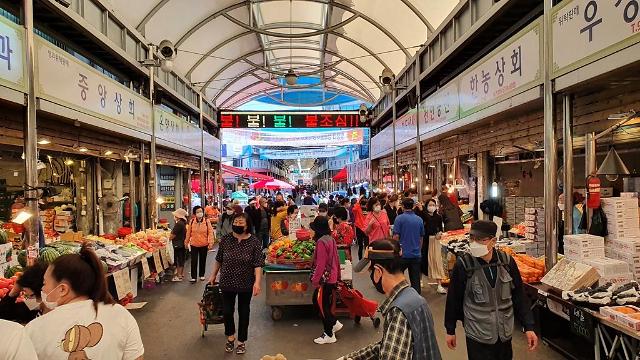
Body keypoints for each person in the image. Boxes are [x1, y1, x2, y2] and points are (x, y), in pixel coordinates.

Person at [25, 244, 144, 360]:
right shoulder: (120, 315)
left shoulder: (34, 330)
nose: (42, 289)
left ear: (62, 289)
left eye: (45, 283)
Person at [445, 220, 538, 360]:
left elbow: (519, 295)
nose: (474, 243)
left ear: (493, 241)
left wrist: (528, 326)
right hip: (477, 334)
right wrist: (450, 329)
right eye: (472, 238)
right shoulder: (464, 264)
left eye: (481, 240)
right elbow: (453, 298)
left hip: (504, 332)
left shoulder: (506, 262)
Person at [341, 240, 441, 360]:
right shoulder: (414, 297)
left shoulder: (399, 311)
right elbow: (388, 346)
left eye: (370, 272)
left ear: (378, 271)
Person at [209, 213, 264, 355]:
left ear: (247, 226)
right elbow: (219, 259)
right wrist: (214, 274)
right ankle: (230, 337)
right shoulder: (226, 240)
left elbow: (258, 264)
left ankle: (241, 341)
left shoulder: (254, 242)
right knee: (227, 311)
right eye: (236, 222)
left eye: (241, 223)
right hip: (227, 280)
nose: (237, 225)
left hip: (246, 282)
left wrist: (257, 282)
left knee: (244, 311)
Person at [309, 216, 342, 345]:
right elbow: (336, 259)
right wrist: (338, 275)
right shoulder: (331, 239)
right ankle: (333, 323)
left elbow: (321, 264)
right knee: (322, 303)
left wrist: (315, 280)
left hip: (325, 280)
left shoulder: (321, 242)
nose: (311, 231)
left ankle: (329, 334)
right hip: (332, 277)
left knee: (321, 305)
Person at [393, 198, 425, 294]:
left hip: (402, 254)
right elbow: (421, 238)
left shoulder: (399, 218)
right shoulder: (419, 219)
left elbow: (396, 236)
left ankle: (400, 298)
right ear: (413, 207)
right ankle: (416, 300)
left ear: (402, 206)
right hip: (416, 254)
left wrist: (396, 250)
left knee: (398, 279)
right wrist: (419, 249)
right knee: (416, 281)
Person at [422, 199, 447, 294]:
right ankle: (420, 280)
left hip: (436, 241)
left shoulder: (438, 217)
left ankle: (439, 285)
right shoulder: (423, 216)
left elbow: (440, 229)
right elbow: (425, 226)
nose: (432, 207)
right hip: (425, 241)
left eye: (433, 205)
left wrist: (439, 234)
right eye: (430, 205)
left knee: (437, 262)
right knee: (423, 260)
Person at [185, 205, 215, 283]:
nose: (199, 213)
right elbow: (188, 233)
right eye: (198, 212)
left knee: (203, 260)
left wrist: (210, 243)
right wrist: (186, 242)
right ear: (195, 213)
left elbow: (210, 233)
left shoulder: (206, 221)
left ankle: (202, 275)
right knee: (193, 261)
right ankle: (193, 277)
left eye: (201, 211)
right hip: (194, 244)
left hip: (204, 244)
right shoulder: (191, 221)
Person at [170, 208, 188, 282]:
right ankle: (181, 274)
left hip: (178, 244)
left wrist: (168, 238)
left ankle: (179, 275)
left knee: (178, 259)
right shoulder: (183, 223)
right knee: (182, 259)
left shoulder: (179, 224)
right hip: (182, 243)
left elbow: (172, 235)